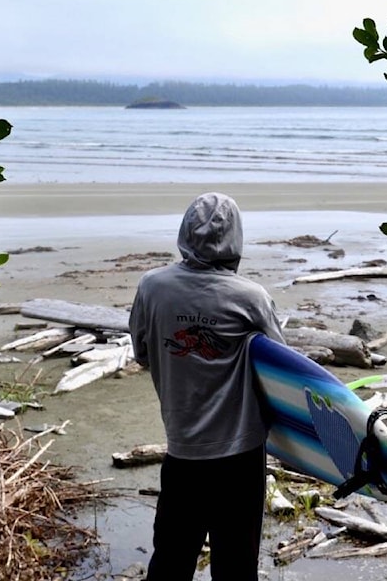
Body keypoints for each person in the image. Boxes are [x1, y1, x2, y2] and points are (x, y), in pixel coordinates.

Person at [129, 192, 285, 581]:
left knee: (170, 562)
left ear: (184, 232)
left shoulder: (152, 287)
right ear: (236, 239)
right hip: (241, 456)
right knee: (236, 568)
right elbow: (284, 374)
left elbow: (142, 353)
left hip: (182, 451)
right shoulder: (251, 297)